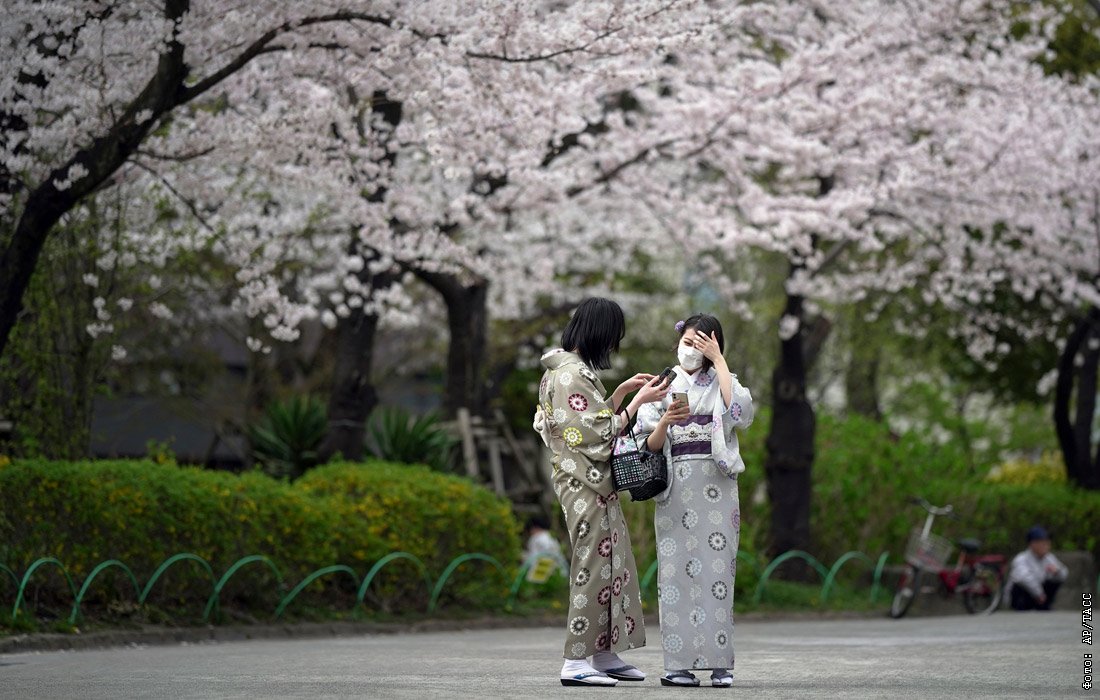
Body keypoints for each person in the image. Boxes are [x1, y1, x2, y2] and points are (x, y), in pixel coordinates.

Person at [533, 297, 670, 687]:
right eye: (612, 338)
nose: (612, 347)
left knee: (612, 562)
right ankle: (575, 660)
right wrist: (639, 401)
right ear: (599, 333)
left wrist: (624, 391)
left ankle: (605, 654)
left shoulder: (568, 371)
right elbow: (594, 433)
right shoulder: (569, 375)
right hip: (583, 482)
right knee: (594, 564)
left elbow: (590, 422)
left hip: (591, 481)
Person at [636, 313, 754, 688]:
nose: (690, 349)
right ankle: (678, 665)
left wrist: (719, 362)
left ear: (714, 344)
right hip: (676, 490)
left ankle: (721, 664)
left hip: (717, 487)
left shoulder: (724, 380)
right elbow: (648, 446)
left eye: (700, 343)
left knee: (719, 572)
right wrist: (665, 423)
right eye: (686, 341)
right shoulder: (663, 384)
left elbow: (742, 414)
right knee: (675, 576)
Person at [1007, 526, 1069, 611]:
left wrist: (1057, 572)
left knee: (1055, 580)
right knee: (1020, 584)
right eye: (1042, 542)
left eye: (1047, 542)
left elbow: (1064, 573)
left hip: (1039, 595)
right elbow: (1024, 578)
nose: (1046, 545)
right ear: (1032, 544)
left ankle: (1043, 606)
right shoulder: (1021, 558)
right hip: (1023, 596)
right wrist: (1039, 593)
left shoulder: (1049, 558)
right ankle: (1022, 608)